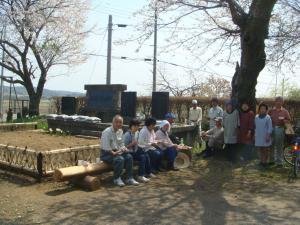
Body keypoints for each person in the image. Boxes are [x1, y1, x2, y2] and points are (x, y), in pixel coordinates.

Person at [100, 115, 139, 187]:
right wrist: (114, 153)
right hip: (106, 154)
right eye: (116, 122)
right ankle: (116, 178)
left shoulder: (120, 131)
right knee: (120, 159)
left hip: (116, 152)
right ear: (112, 122)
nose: (118, 124)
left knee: (129, 157)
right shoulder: (107, 132)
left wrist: (124, 148)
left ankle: (129, 178)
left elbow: (121, 143)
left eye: (120, 122)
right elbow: (106, 147)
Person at [269, 96, 291, 166]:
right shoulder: (271, 111)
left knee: (279, 145)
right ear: (275, 102)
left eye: (280, 101)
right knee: (271, 145)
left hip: (280, 129)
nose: (279, 102)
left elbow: (289, 120)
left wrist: (284, 120)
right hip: (271, 128)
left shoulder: (285, 111)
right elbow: (267, 119)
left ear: (282, 102)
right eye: (277, 101)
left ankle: (279, 161)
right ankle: (271, 160)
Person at [255, 103, 273, 167]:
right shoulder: (256, 117)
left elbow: (270, 127)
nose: (262, 110)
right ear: (259, 109)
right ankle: (261, 161)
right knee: (260, 149)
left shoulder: (268, 117)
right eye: (261, 108)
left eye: (264, 109)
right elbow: (255, 126)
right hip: (258, 135)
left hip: (265, 136)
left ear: (266, 110)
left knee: (265, 149)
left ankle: (265, 162)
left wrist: (268, 135)